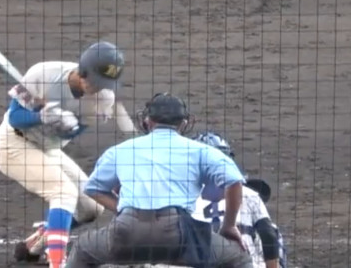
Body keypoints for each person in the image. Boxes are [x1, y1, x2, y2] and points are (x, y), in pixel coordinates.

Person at [65, 93, 255, 268]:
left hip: (127, 232)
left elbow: (93, 188)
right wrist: (229, 225)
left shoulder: (121, 150)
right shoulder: (200, 150)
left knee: (83, 249)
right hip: (178, 237)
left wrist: (123, 208)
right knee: (239, 258)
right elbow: (233, 181)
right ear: (183, 123)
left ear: (147, 121)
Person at [0, 40, 137, 268]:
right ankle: (57, 263)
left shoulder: (103, 99)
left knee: (92, 206)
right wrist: (40, 117)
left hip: (48, 149)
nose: (100, 87)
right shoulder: (43, 74)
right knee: (63, 192)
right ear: (83, 70)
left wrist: (69, 126)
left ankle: (35, 244)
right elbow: (14, 118)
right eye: (97, 81)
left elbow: (76, 130)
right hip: (13, 145)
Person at [190, 131, 288, 268]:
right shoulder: (247, 193)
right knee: (273, 232)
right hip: (245, 263)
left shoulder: (183, 197)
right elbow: (268, 235)